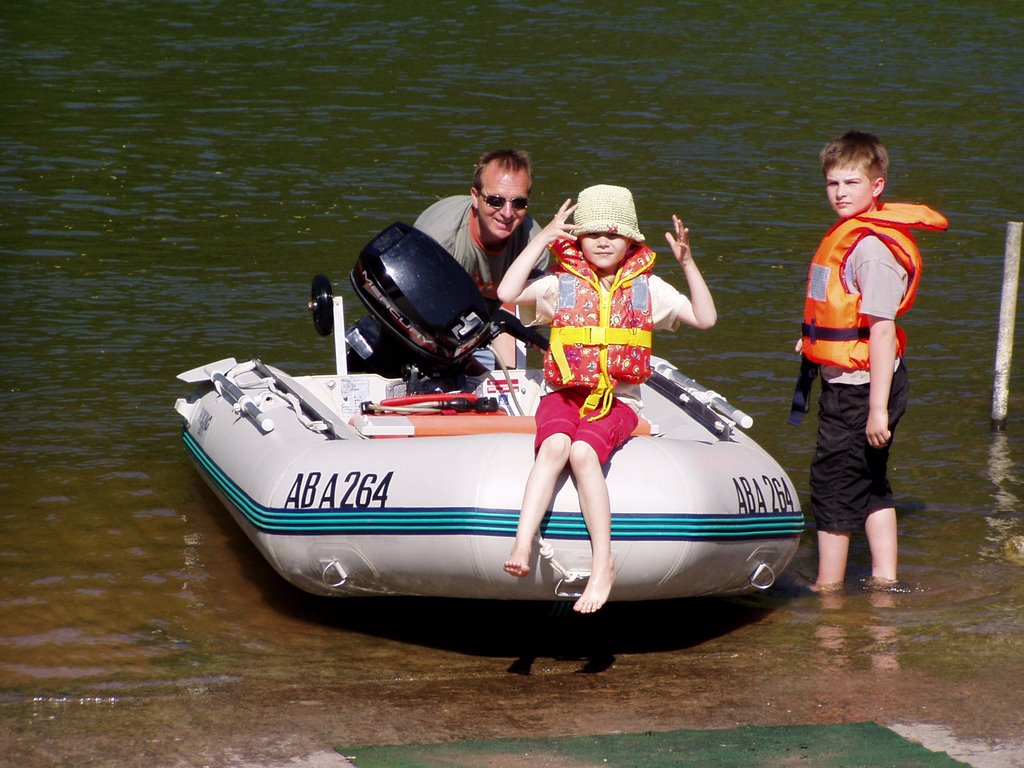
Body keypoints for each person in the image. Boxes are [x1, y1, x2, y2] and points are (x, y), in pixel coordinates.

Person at [497, 184, 717, 613]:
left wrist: (688, 265)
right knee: (555, 446)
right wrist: (542, 238)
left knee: (581, 453)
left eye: (614, 234)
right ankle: (523, 543)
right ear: (577, 239)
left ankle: (603, 565)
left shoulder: (647, 289)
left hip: (618, 402)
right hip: (565, 393)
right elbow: (506, 294)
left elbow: (705, 319)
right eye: (593, 232)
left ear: (631, 241)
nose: (602, 240)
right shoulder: (559, 285)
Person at [793, 130, 948, 592]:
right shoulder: (851, 237)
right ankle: (884, 582)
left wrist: (877, 409)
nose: (840, 193)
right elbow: (846, 316)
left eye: (851, 184)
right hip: (856, 382)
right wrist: (815, 343)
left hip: (862, 390)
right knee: (870, 480)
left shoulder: (873, 251)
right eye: (832, 184)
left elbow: (880, 331)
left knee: (834, 485)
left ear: (877, 187)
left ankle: (828, 591)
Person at [414, 148, 546, 367]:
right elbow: (424, 318)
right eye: (495, 200)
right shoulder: (439, 237)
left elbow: (509, 322)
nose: (506, 213)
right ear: (475, 197)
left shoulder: (533, 246)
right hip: (435, 327)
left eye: (518, 203)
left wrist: (506, 387)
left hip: (490, 331)